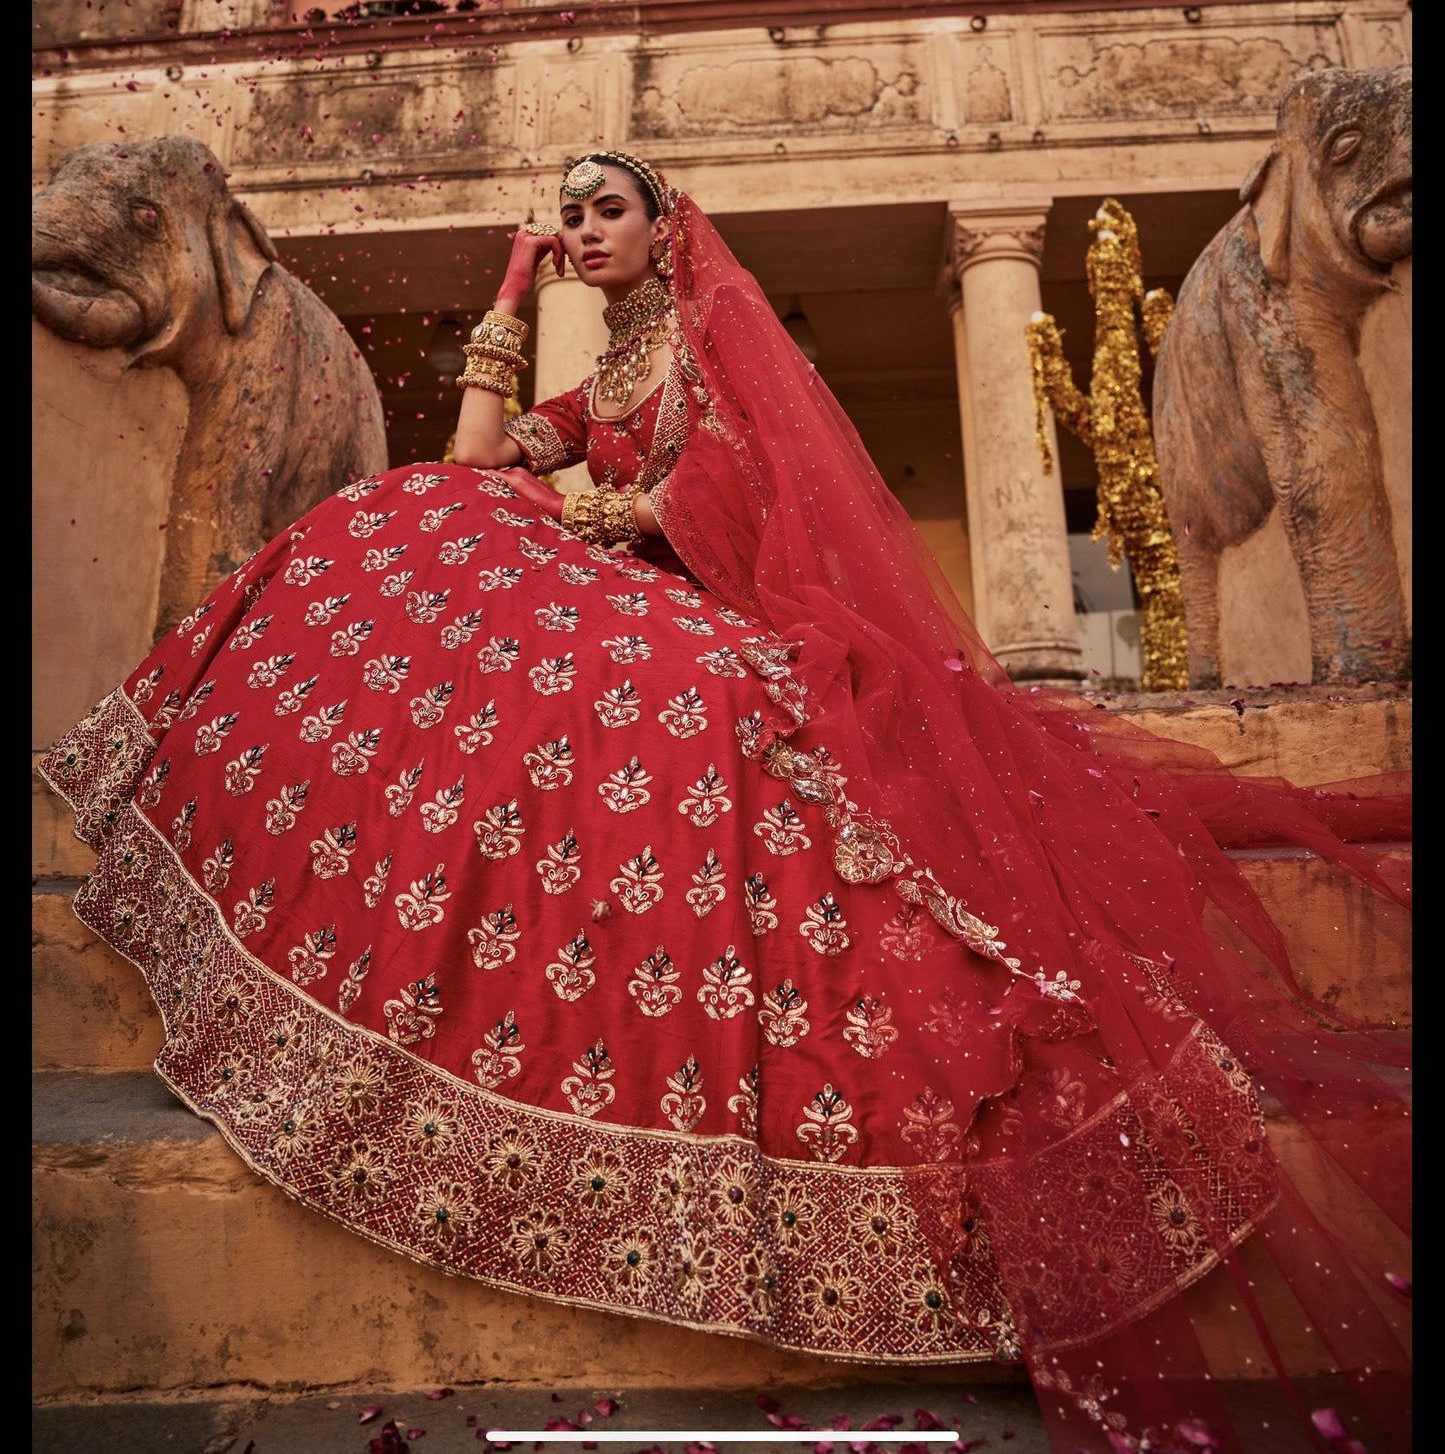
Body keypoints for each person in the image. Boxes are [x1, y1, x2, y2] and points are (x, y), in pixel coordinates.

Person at [41, 150, 1410, 1454]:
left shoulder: (714, 345)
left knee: (652, 684)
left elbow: (757, 495)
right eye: (566, 212)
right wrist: (512, 300)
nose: (582, 227)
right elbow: (472, 467)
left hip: (723, 620)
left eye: (602, 211)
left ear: (661, 225)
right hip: (623, 600)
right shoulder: (610, 356)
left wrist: (630, 519)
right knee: (405, 518)